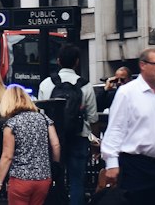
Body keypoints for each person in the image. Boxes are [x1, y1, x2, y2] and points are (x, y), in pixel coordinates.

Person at [100, 45, 155, 204]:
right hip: (134, 165)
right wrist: (111, 162)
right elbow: (116, 128)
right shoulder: (127, 92)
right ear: (143, 65)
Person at [37, 44, 97, 205]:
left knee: (54, 178)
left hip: (53, 138)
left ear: (58, 61)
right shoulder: (85, 85)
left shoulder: (46, 84)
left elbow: (41, 114)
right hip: (79, 137)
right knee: (77, 181)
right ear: (77, 62)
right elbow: (92, 117)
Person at [0, 83, 60, 205]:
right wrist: (55, 166)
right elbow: (56, 145)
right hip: (43, 178)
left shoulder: (11, 124)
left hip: (20, 179)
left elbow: (7, 156)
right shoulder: (44, 118)